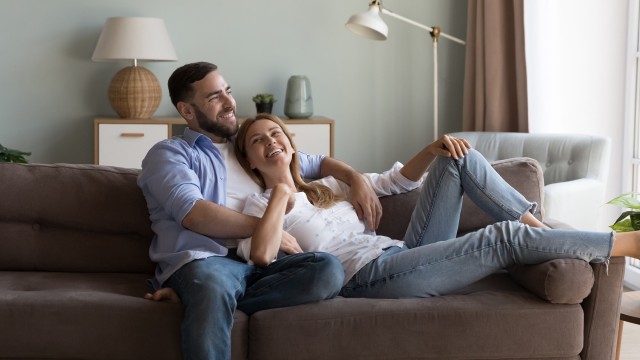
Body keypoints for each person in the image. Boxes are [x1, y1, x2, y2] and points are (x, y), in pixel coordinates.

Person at [233, 113, 640, 299]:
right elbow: (261, 253)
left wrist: (431, 149)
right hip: (368, 279)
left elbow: (396, 182)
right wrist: (282, 195)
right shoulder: (254, 205)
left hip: (402, 254)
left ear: (290, 143)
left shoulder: (327, 185)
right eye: (258, 140)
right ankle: (625, 244)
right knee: (501, 238)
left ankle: (537, 228)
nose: (271, 142)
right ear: (250, 160)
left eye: (276, 133)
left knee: (457, 155)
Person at [136, 62, 382, 360]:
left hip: (260, 260)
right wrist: (266, 228)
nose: (229, 103)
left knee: (327, 269)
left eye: (228, 91)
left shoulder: (247, 148)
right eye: (214, 98)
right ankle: (206, 295)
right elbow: (194, 214)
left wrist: (355, 178)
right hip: (210, 259)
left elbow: (316, 162)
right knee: (212, 284)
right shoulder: (171, 154)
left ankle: (199, 299)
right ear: (187, 111)